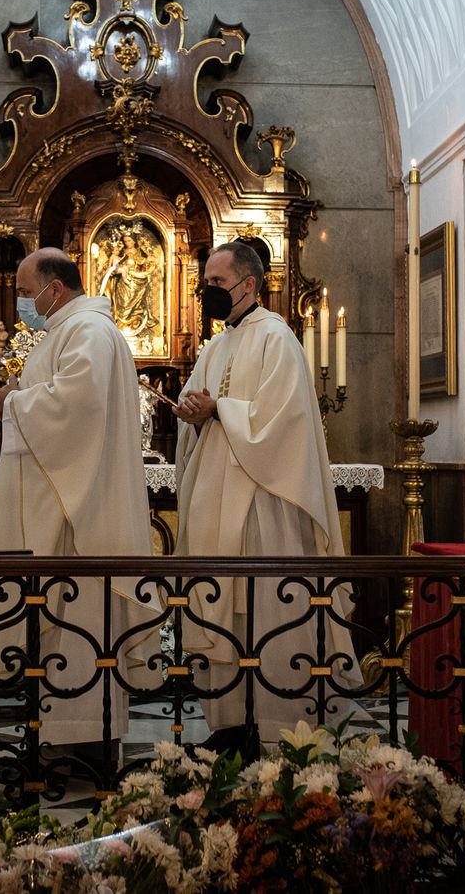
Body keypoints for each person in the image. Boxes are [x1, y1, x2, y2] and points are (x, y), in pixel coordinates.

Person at [172, 241, 357, 748]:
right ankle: (230, 725)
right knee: (224, 610)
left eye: (216, 283)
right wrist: (190, 414)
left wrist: (220, 410)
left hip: (261, 504)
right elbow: (197, 406)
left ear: (248, 284)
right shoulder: (215, 345)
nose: (207, 292)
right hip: (216, 496)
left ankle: (279, 728)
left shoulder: (277, 339)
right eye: (205, 283)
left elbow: (284, 422)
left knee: (264, 609)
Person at [0, 248, 155, 758]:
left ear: (54, 288)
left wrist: (15, 402)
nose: (21, 301)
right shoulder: (67, 331)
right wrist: (15, 392)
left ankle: (86, 745)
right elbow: (52, 393)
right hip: (62, 500)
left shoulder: (90, 333)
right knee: (61, 629)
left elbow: (75, 407)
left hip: (80, 517)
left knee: (80, 626)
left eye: (24, 289)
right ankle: (61, 737)